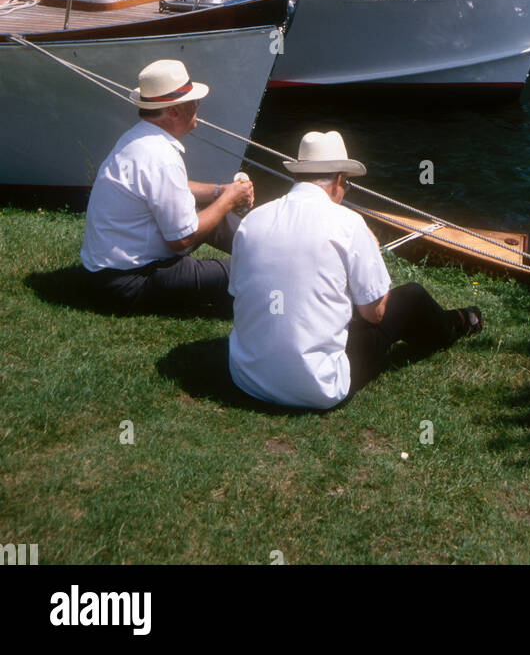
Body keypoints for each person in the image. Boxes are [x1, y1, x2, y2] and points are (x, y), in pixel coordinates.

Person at [227, 130, 482, 410]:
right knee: (411, 296)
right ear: (339, 180)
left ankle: (450, 322)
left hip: (246, 377)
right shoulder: (348, 223)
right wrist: (371, 246)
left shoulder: (254, 219)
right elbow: (375, 313)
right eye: (347, 184)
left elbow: (237, 291)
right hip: (317, 387)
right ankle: (459, 321)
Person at [80, 58, 254, 313]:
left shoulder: (138, 138)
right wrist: (229, 199)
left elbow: (172, 189)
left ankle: (266, 248)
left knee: (214, 208)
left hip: (107, 272)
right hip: (130, 280)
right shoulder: (160, 155)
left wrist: (220, 191)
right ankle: (270, 263)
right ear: (173, 112)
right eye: (192, 102)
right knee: (252, 272)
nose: (198, 106)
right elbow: (183, 240)